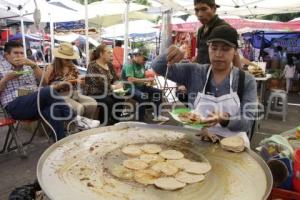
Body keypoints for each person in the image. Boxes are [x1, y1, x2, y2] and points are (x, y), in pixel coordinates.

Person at [152, 26, 257, 142]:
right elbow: (158, 66)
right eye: (214, 48)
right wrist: (172, 52)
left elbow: (247, 122)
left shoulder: (246, 80)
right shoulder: (195, 71)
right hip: (196, 139)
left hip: (232, 144)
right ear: (208, 49)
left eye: (225, 49)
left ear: (235, 51)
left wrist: (225, 120)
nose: (218, 54)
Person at [0, 41, 79, 140]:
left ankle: (60, 142)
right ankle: (76, 119)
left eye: (21, 53)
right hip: (15, 105)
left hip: (35, 102)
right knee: (46, 91)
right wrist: (5, 79)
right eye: (16, 53)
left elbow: (44, 82)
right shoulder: (1, 68)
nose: (19, 56)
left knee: (53, 110)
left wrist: (34, 66)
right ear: (6, 55)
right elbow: (46, 88)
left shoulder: (28, 65)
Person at [44, 42, 99, 129]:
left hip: (74, 93)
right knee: (79, 108)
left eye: (71, 59)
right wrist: (62, 84)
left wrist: (83, 81)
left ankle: (85, 127)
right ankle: (73, 129)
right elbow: (45, 86)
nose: (69, 61)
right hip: (58, 96)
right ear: (59, 58)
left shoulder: (73, 67)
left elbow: (79, 81)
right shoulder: (51, 68)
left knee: (92, 103)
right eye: (67, 59)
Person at [121, 48, 169, 122]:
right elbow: (130, 80)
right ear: (136, 56)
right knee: (143, 96)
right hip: (129, 87)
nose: (145, 61)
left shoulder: (141, 64)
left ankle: (157, 115)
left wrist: (148, 83)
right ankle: (141, 120)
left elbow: (142, 78)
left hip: (140, 87)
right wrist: (146, 80)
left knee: (158, 92)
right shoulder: (129, 64)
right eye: (143, 58)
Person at [85, 44, 124, 125]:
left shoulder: (109, 65)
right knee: (108, 101)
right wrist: (114, 87)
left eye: (111, 52)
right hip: (95, 93)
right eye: (108, 52)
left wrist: (118, 83)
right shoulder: (92, 66)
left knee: (121, 97)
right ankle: (102, 124)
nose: (111, 54)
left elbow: (115, 79)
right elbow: (99, 84)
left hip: (108, 91)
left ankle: (114, 122)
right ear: (101, 54)